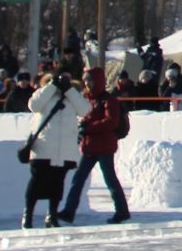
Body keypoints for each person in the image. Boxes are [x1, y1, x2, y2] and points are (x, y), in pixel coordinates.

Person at [60, 67, 131, 225]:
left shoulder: (108, 100)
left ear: (98, 81)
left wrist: (89, 127)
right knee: (78, 179)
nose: (87, 84)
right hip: (91, 147)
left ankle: (122, 211)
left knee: (110, 179)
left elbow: (111, 122)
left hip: (104, 146)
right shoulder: (87, 99)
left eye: (90, 80)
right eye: (85, 80)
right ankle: (69, 211)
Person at [24, 72, 89, 229]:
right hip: (44, 147)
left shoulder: (73, 97)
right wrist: (51, 86)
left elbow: (85, 110)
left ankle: (51, 215)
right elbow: (34, 105)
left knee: (57, 185)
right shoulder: (44, 94)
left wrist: (70, 90)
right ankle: (28, 215)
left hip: (64, 150)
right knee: (35, 183)